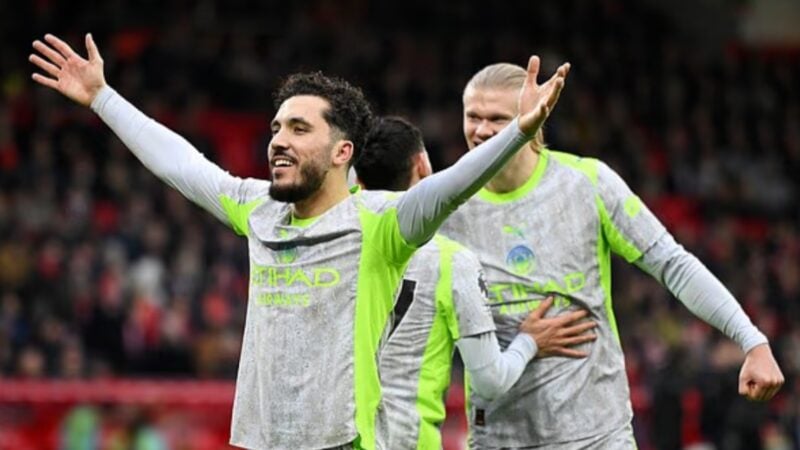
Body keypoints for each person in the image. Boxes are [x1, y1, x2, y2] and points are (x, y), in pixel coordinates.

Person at [28, 34, 569, 450]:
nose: (279, 141)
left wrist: (519, 131)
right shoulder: (258, 208)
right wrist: (102, 98)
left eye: (299, 129)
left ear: (342, 153)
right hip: (261, 442)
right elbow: (181, 164)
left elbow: (449, 188)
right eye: (276, 128)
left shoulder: (381, 225)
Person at [436, 62, 785, 449]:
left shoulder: (586, 183)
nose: (482, 130)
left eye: (497, 119)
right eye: (473, 117)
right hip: (500, 438)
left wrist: (751, 340)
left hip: (598, 435)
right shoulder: (443, 206)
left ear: (532, 118)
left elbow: (673, 264)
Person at [355, 117, 598, 449]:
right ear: (423, 165)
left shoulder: (335, 243)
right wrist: (529, 341)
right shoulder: (450, 261)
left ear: (358, 178)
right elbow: (490, 380)